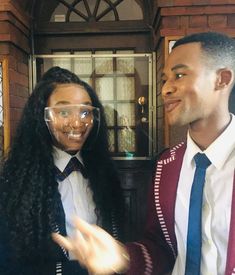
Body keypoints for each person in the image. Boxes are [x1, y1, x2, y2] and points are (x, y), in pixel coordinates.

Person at [53, 31, 235, 275]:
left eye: (179, 75)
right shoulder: (166, 167)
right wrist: (121, 256)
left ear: (222, 79)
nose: (166, 90)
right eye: (164, 80)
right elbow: (160, 249)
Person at [0, 66, 125, 275]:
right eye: (64, 111)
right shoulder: (16, 183)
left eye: (85, 111)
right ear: (42, 118)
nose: (77, 122)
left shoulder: (104, 173)